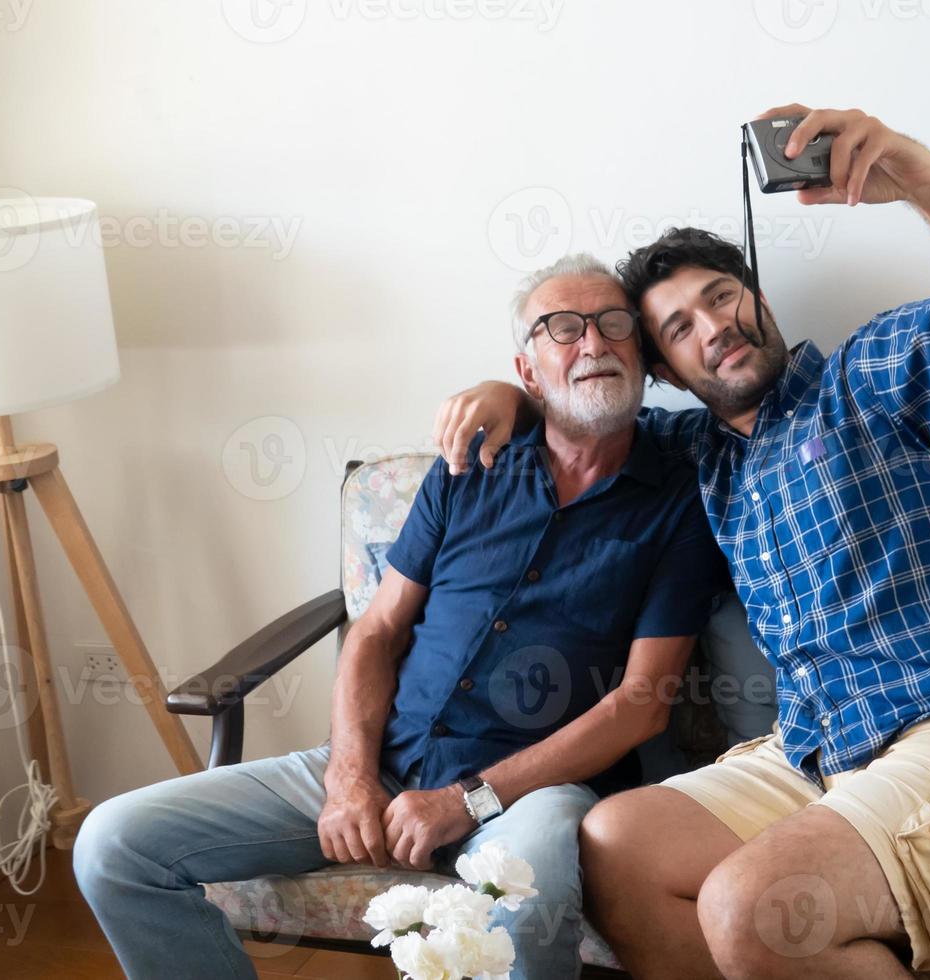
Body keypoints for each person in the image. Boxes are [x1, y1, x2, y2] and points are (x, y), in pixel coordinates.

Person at [431, 105, 930, 978]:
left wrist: (919, 178)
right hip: (820, 749)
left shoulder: (871, 381)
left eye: (722, 297)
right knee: (613, 842)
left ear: (759, 300)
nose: (714, 327)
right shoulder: (694, 455)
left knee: (756, 906)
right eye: (679, 326)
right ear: (665, 370)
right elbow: (587, 416)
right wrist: (509, 392)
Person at [73, 254, 727, 980]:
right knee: (113, 844)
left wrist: (465, 800)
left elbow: (641, 703)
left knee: (529, 886)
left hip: (530, 793)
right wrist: (349, 777)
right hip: (379, 757)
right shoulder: (466, 469)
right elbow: (377, 632)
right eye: (562, 329)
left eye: (613, 326)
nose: (594, 344)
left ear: (643, 354)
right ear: (528, 370)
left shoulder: (680, 495)